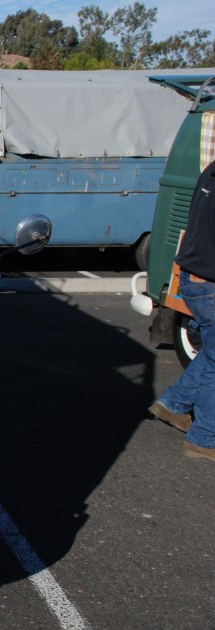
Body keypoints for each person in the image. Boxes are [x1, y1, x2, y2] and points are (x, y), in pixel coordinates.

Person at [149, 160, 215, 462]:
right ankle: (204, 438)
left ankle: (174, 404)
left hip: (192, 273)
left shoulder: (210, 170)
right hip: (210, 279)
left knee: (212, 352)